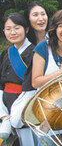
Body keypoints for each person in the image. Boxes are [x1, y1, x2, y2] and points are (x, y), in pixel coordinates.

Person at [32, 9, 62, 146]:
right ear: (55, 28)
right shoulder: (43, 48)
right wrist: (61, 72)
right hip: (47, 115)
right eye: (61, 26)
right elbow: (36, 82)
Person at [0, 13, 37, 145]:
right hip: (7, 110)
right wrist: (3, 115)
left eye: (16, 28)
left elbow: (33, 86)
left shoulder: (35, 52)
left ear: (26, 29)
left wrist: (15, 116)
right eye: (8, 29)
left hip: (25, 109)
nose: (12, 32)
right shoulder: (6, 53)